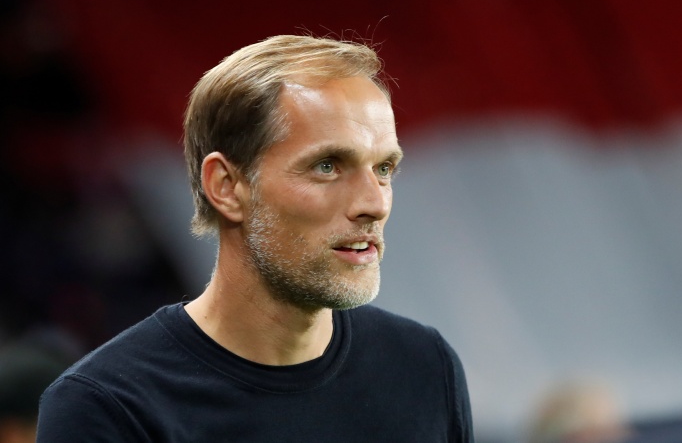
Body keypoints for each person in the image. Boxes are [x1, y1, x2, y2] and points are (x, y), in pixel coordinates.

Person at [36, 34, 474, 442]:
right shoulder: (106, 407)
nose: (374, 203)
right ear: (226, 187)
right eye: (327, 166)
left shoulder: (425, 366)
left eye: (384, 169)